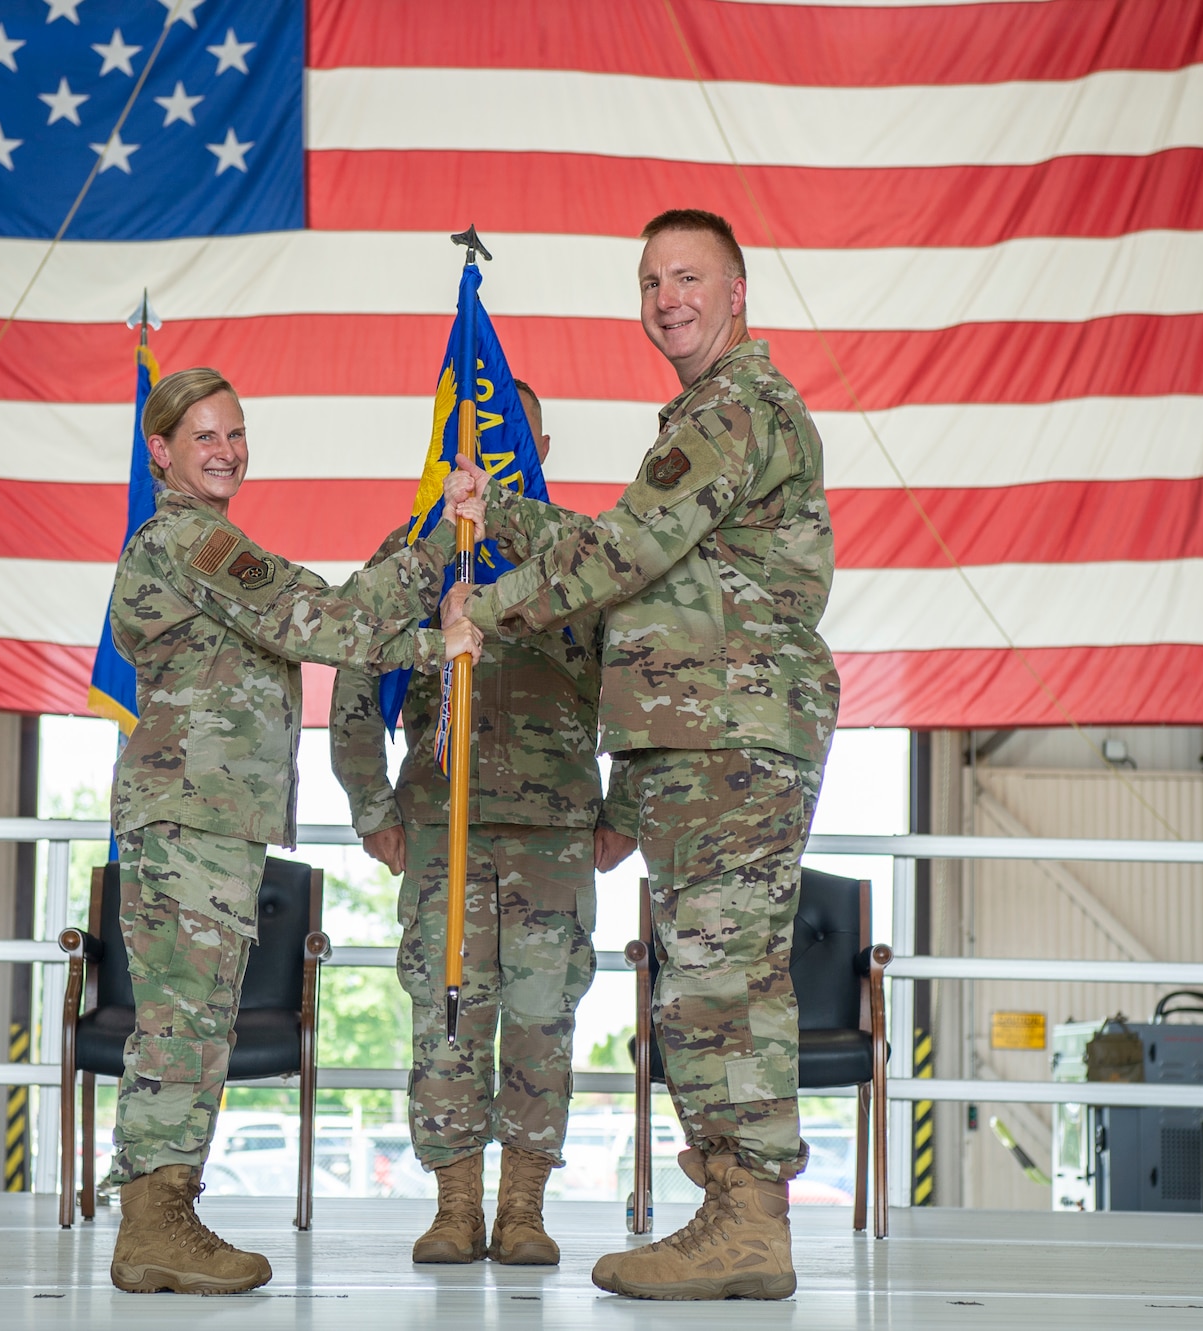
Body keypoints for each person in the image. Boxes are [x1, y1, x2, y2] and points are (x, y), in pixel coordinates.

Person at [441, 210, 838, 1301]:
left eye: (689, 276)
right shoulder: (708, 418)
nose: (667, 297)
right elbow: (625, 539)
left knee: (721, 983)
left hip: (728, 734)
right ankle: (727, 1212)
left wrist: (491, 603)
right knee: (696, 987)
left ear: (737, 291)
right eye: (651, 279)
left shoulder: (735, 408)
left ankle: (748, 1217)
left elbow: (622, 550)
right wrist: (506, 515)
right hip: (698, 737)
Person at [105, 366, 483, 1295]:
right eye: (205, 436)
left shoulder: (205, 544)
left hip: (207, 821)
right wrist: (440, 561)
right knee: (182, 1025)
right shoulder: (188, 541)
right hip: (189, 819)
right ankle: (154, 1224)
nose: (227, 450)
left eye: (235, 434)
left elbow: (319, 623)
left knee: (195, 1024)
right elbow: (327, 619)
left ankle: (166, 1212)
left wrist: (430, 621)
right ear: (161, 450)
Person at [328, 382, 637, 1268]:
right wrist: (370, 807)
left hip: (553, 834)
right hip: (440, 827)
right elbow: (357, 669)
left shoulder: (585, 556)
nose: (492, 459)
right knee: (447, 1020)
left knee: (544, 1021)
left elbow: (643, 678)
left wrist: (627, 813)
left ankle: (524, 1210)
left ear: (541, 445)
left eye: (510, 441)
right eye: (476, 444)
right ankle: (455, 1206)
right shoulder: (416, 552)